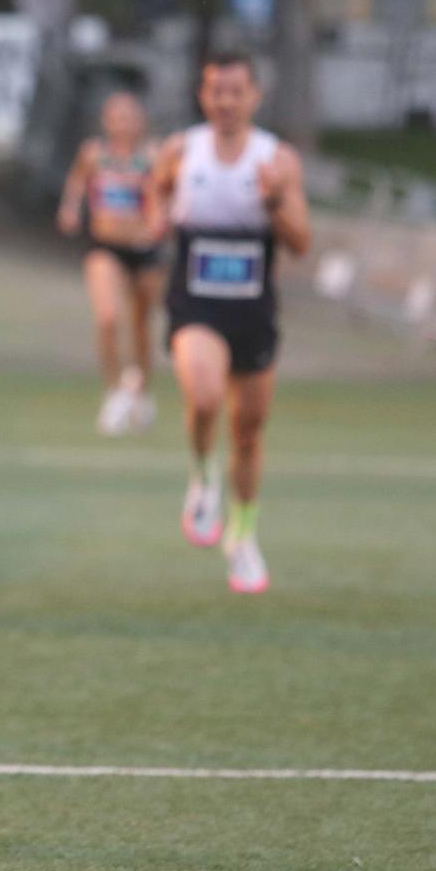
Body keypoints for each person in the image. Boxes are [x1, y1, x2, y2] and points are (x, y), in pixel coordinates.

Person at [144, 52, 310, 595]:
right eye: (217, 91)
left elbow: (301, 242)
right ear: (203, 96)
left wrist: (275, 201)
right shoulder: (180, 150)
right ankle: (201, 475)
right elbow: (157, 192)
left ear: (255, 97)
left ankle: (242, 537)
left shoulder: (277, 160)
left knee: (248, 430)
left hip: (253, 306)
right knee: (206, 395)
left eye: (237, 91)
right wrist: (157, 219)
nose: (227, 102)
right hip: (196, 299)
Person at [57, 91, 162, 436]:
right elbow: (76, 181)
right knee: (107, 318)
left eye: (130, 116)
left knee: (141, 326)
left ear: (140, 121)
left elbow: (165, 196)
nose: (123, 124)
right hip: (104, 246)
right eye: (116, 117)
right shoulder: (94, 154)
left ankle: (142, 391)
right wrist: (71, 208)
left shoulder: (151, 156)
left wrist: (158, 223)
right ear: (106, 121)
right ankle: (115, 391)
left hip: (144, 250)